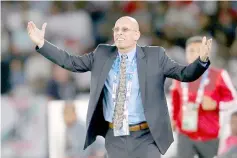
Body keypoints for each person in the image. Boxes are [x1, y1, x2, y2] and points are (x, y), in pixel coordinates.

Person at [27, 16, 212, 158]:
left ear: (136, 35)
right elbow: (71, 62)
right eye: (116, 29)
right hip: (114, 136)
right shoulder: (101, 54)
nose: (119, 33)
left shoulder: (156, 56)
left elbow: (185, 74)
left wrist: (202, 60)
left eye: (125, 29)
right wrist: (42, 44)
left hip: (147, 136)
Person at [170, 36, 236, 158]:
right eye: (191, 51)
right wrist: (173, 118)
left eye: (199, 50)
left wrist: (216, 104)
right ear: (186, 53)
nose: (195, 54)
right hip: (184, 133)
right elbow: (176, 100)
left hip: (209, 135)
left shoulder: (219, 75)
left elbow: (234, 101)